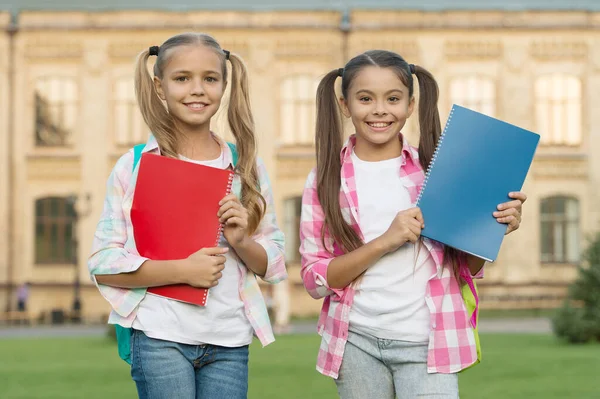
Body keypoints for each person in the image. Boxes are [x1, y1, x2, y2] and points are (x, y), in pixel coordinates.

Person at [299, 50, 527, 398]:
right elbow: (316, 281)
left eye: (393, 98)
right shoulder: (325, 180)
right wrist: (384, 242)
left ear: (410, 105)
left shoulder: (437, 173)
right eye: (365, 99)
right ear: (345, 105)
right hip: (356, 340)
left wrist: (493, 228)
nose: (379, 110)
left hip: (427, 342)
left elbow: (466, 267)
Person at [87, 32, 287, 399]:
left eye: (210, 79)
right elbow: (104, 264)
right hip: (161, 337)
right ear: (159, 87)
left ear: (224, 86)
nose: (197, 89)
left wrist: (241, 240)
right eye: (182, 79)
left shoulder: (245, 168)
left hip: (229, 341)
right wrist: (183, 271)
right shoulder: (133, 167)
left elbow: (273, 265)